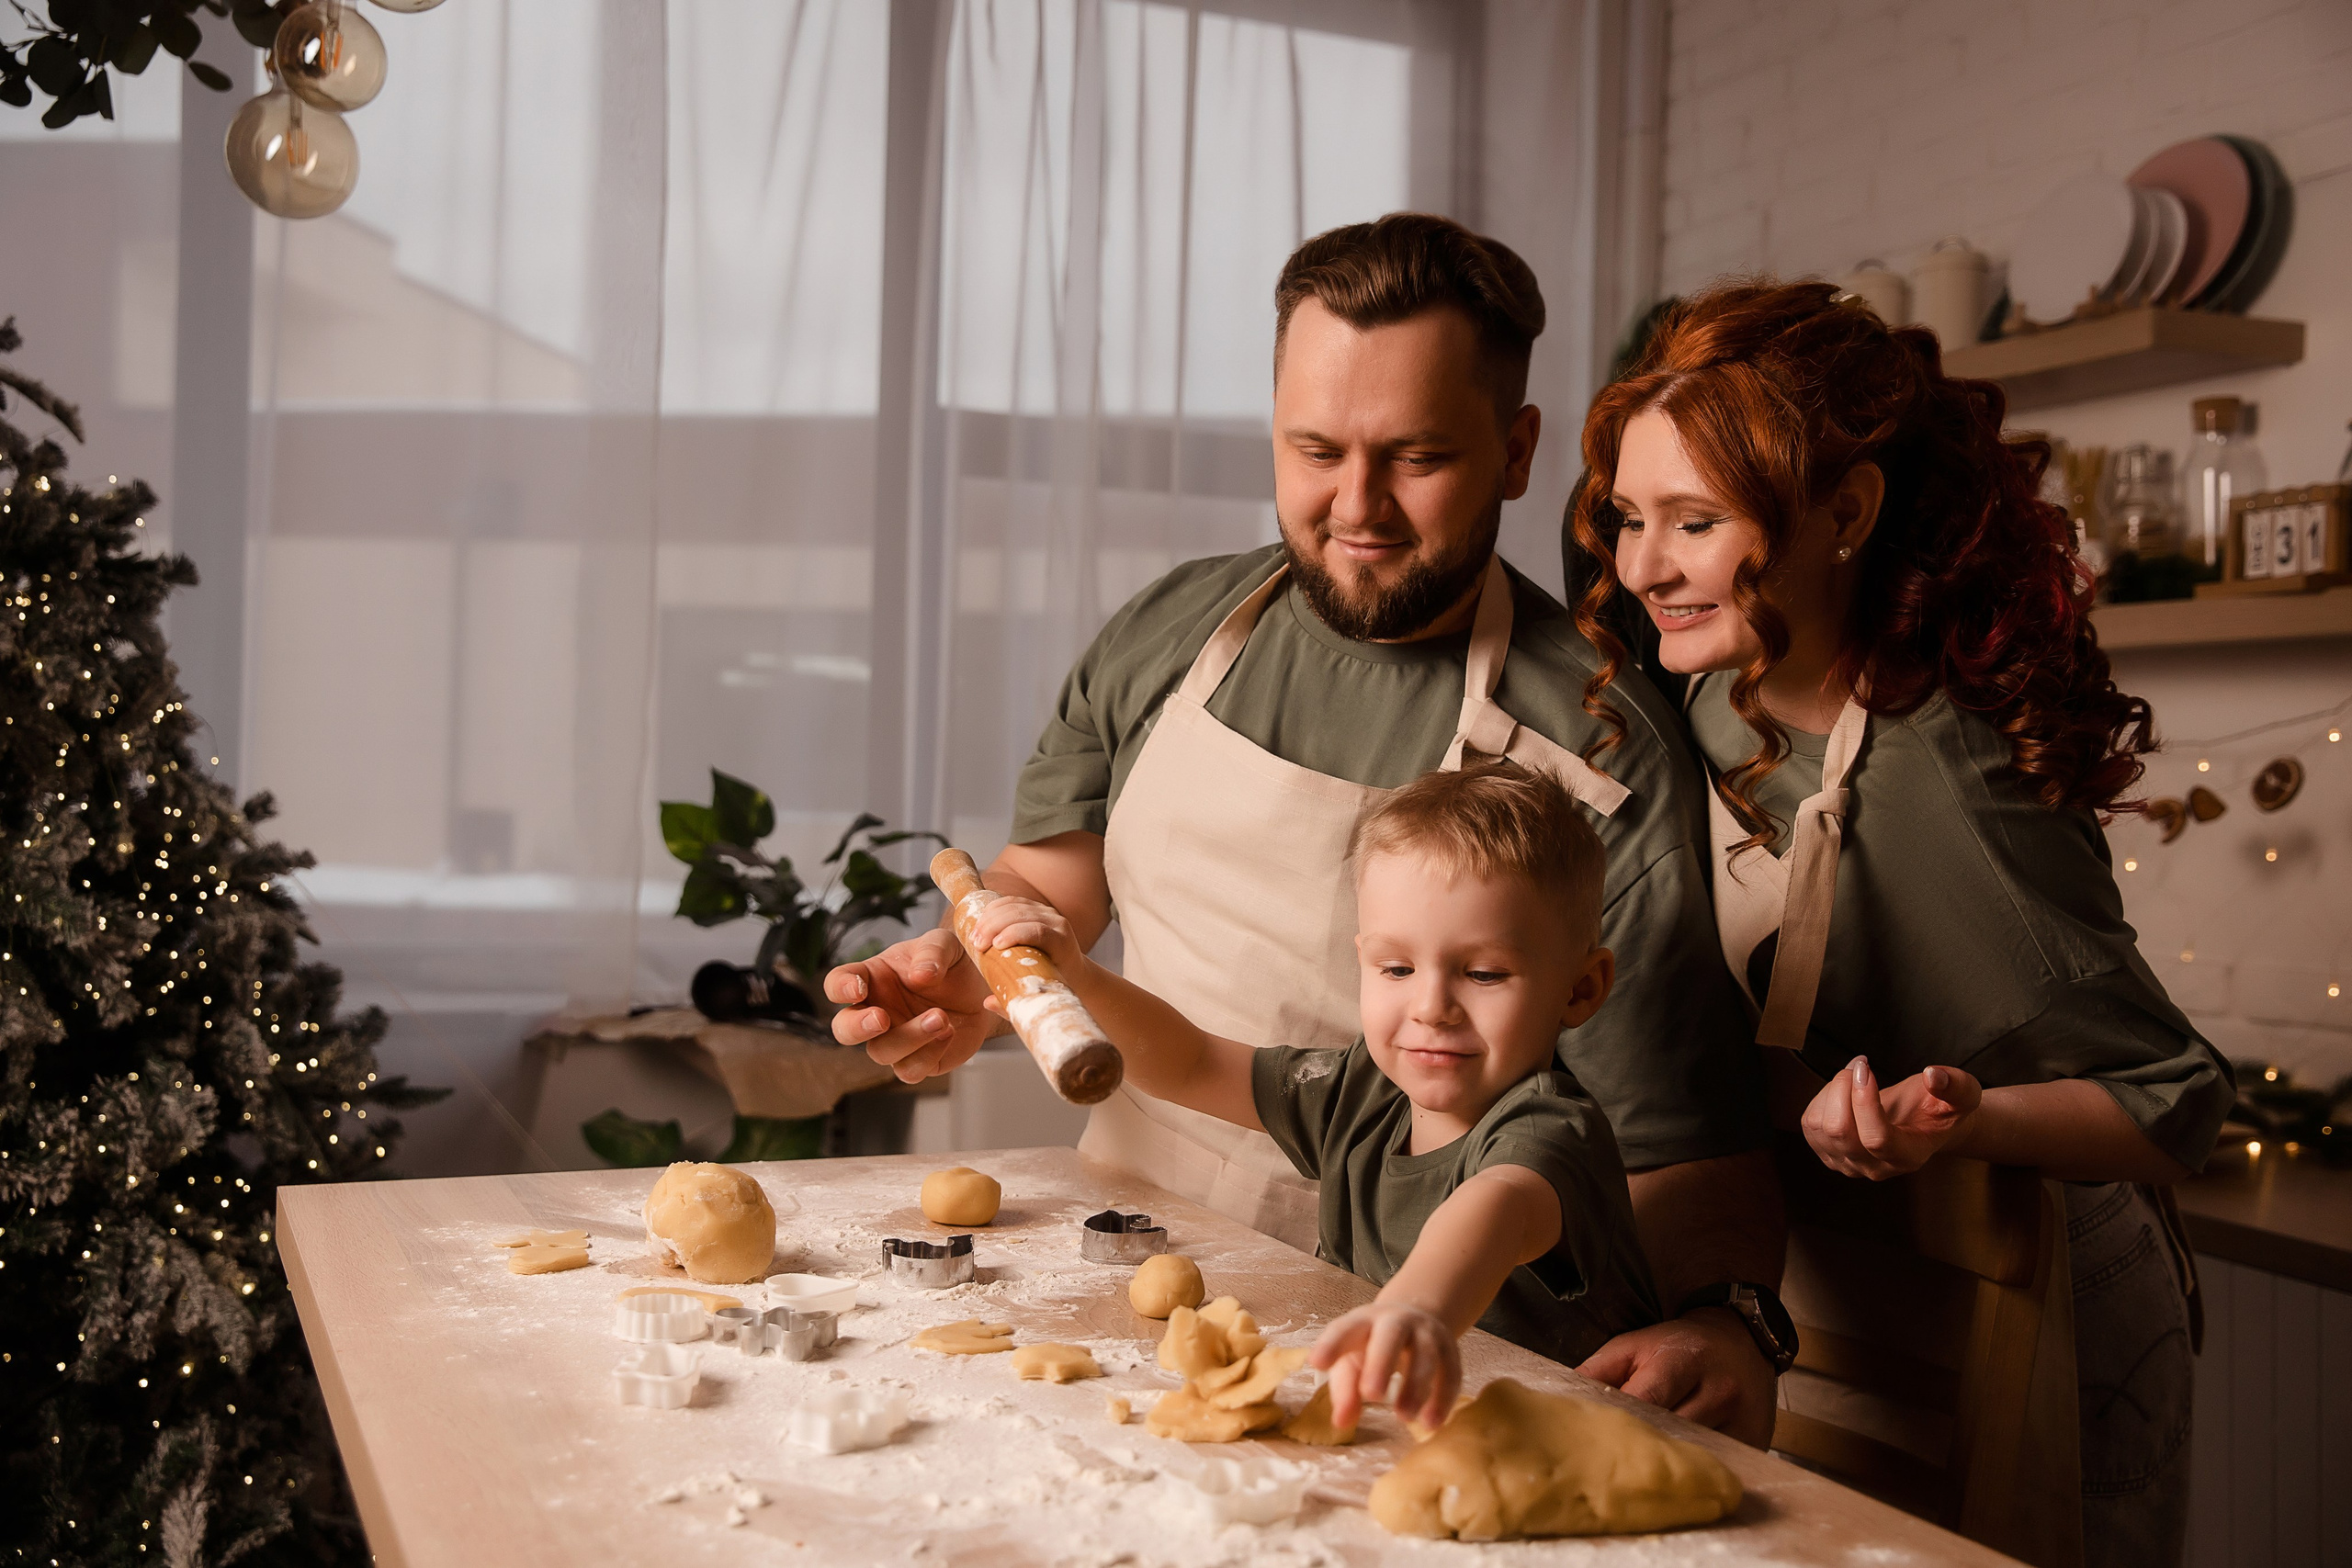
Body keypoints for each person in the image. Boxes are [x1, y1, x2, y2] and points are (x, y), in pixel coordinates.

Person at [828, 213, 1793, 1447]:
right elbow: (1048, 882)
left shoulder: (1602, 749)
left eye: (1417, 457)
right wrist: (969, 970)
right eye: (1315, 449)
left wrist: (1724, 1317)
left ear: (1515, 450)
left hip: (1404, 1351)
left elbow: (1678, 1152)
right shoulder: (1174, 626)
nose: (1358, 506)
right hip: (1116, 1268)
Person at [1567, 278, 2233, 1565]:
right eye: (1632, 518)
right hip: (1851, 1277)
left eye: (1695, 521)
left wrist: (1964, 1111)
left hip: (2054, 1294)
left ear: (1848, 514)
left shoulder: (1948, 785)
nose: (1643, 565)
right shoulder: (1705, 688)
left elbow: (2177, 1100)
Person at [965, 761, 1659, 1432]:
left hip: (1557, 1442)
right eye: (1396, 967)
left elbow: (1496, 1208)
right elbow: (1195, 1061)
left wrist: (1417, 1310)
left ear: (1581, 988)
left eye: (1482, 972)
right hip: (1406, 1426)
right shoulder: (1363, 1092)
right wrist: (1084, 977)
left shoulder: (1548, 1127)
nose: (1431, 1005)